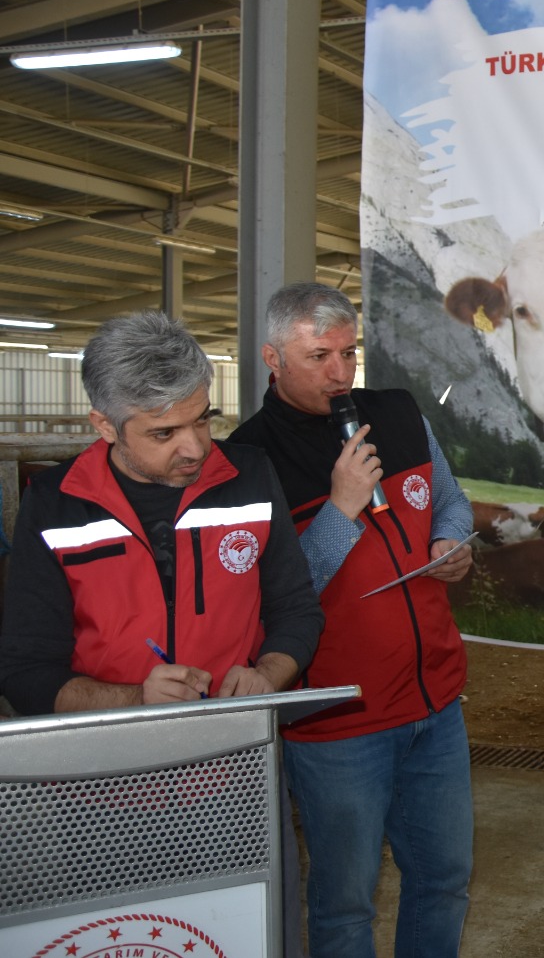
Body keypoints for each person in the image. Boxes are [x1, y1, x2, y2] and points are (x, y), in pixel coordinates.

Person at [0, 311, 324, 956]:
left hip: (235, 782)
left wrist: (269, 673)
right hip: (101, 798)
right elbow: (25, 670)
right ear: (104, 426)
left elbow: (296, 610)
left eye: (203, 419)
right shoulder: (56, 502)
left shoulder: (249, 475)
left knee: (254, 936)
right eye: (164, 432)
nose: (195, 448)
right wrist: (133, 700)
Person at [230, 283, 475, 958]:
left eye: (349, 352)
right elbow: (275, 599)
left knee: (445, 880)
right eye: (319, 357)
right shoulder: (248, 461)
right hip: (339, 720)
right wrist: (341, 507)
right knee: (344, 905)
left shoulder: (397, 413)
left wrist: (451, 541)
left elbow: (451, 499)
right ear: (273, 358)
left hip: (435, 702)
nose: (340, 373)